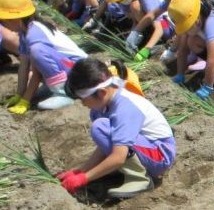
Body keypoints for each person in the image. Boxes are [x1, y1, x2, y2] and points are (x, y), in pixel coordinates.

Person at [59, 58, 175, 198]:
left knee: (100, 128)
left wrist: (84, 178)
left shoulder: (124, 109)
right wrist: (80, 171)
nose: (82, 103)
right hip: (144, 147)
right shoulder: (101, 108)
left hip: (160, 153)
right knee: (102, 128)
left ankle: (139, 178)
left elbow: (118, 157)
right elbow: (106, 145)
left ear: (101, 92)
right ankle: (128, 169)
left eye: (83, 98)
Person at [0, 0, 88, 114]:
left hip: (81, 71)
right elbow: (23, 66)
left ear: (14, 18)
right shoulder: (25, 32)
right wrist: (20, 95)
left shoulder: (34, 36)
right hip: (69, 67)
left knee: (37, 52)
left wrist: (26, 101)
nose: (3, 26)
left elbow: (36, 73)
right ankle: (54, 87)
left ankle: (63, 92)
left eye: (2, 21)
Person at [103, 0, 172, 62]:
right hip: (153, 26)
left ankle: (157, 42)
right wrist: (133, 35)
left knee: (134, 6)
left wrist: (147, 49)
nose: (120, 0)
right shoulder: (124, 2)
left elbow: (159, 28)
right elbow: (136, 21)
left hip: (167, 25)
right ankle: (148, 38)